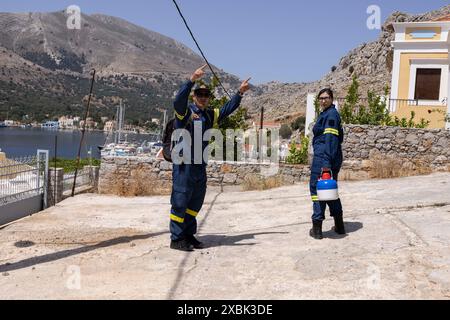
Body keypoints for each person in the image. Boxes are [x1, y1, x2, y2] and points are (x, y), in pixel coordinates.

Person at [169, 64, 251, 251]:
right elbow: (177, 101)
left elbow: (227, 109)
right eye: (200, 95)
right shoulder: (186, 112)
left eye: (206, 95)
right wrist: (191, 80)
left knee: (194, 203)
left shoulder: (209, 114)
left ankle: (189, 235)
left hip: (199, 165)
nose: (203, 98)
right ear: (194, 96)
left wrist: (239, 92)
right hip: (184, 165)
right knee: (181, 201)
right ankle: (176, 238)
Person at [309, 88, 346, 240]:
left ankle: (317, 228)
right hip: (328, 158)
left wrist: (326, 164)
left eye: (326, 98)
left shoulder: (331, 115)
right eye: (321, 98)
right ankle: (339, 225)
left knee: (317, 191)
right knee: (329, 191)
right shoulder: (326, 114)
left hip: (324, 158)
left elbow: (331, 140)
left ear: (331, 99)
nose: (323, 100)